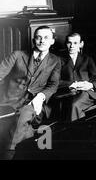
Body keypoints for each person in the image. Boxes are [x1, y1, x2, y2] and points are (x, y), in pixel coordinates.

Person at [0, 26, 61, 155]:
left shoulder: (55, 61)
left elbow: (53, 85)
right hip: (8, 100)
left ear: (52, 41)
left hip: (33, 104)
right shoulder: (18, 55)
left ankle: (8, 154)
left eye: (46, 38)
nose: (42, 41)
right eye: (39, 37)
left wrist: (41, 96)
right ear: (34, 40)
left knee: (21, 119)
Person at [58, 33, 96, 121]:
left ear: (81, 44)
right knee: (67, 107)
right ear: (66, 44)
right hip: (67, 92)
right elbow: (55, 80)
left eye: (75, 43)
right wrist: (72, 84)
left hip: (86, 92)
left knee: (74, 105)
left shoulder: (87, 59)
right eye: (69, 43)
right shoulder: (59, 59)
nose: (72, 46)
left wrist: (91, 85)